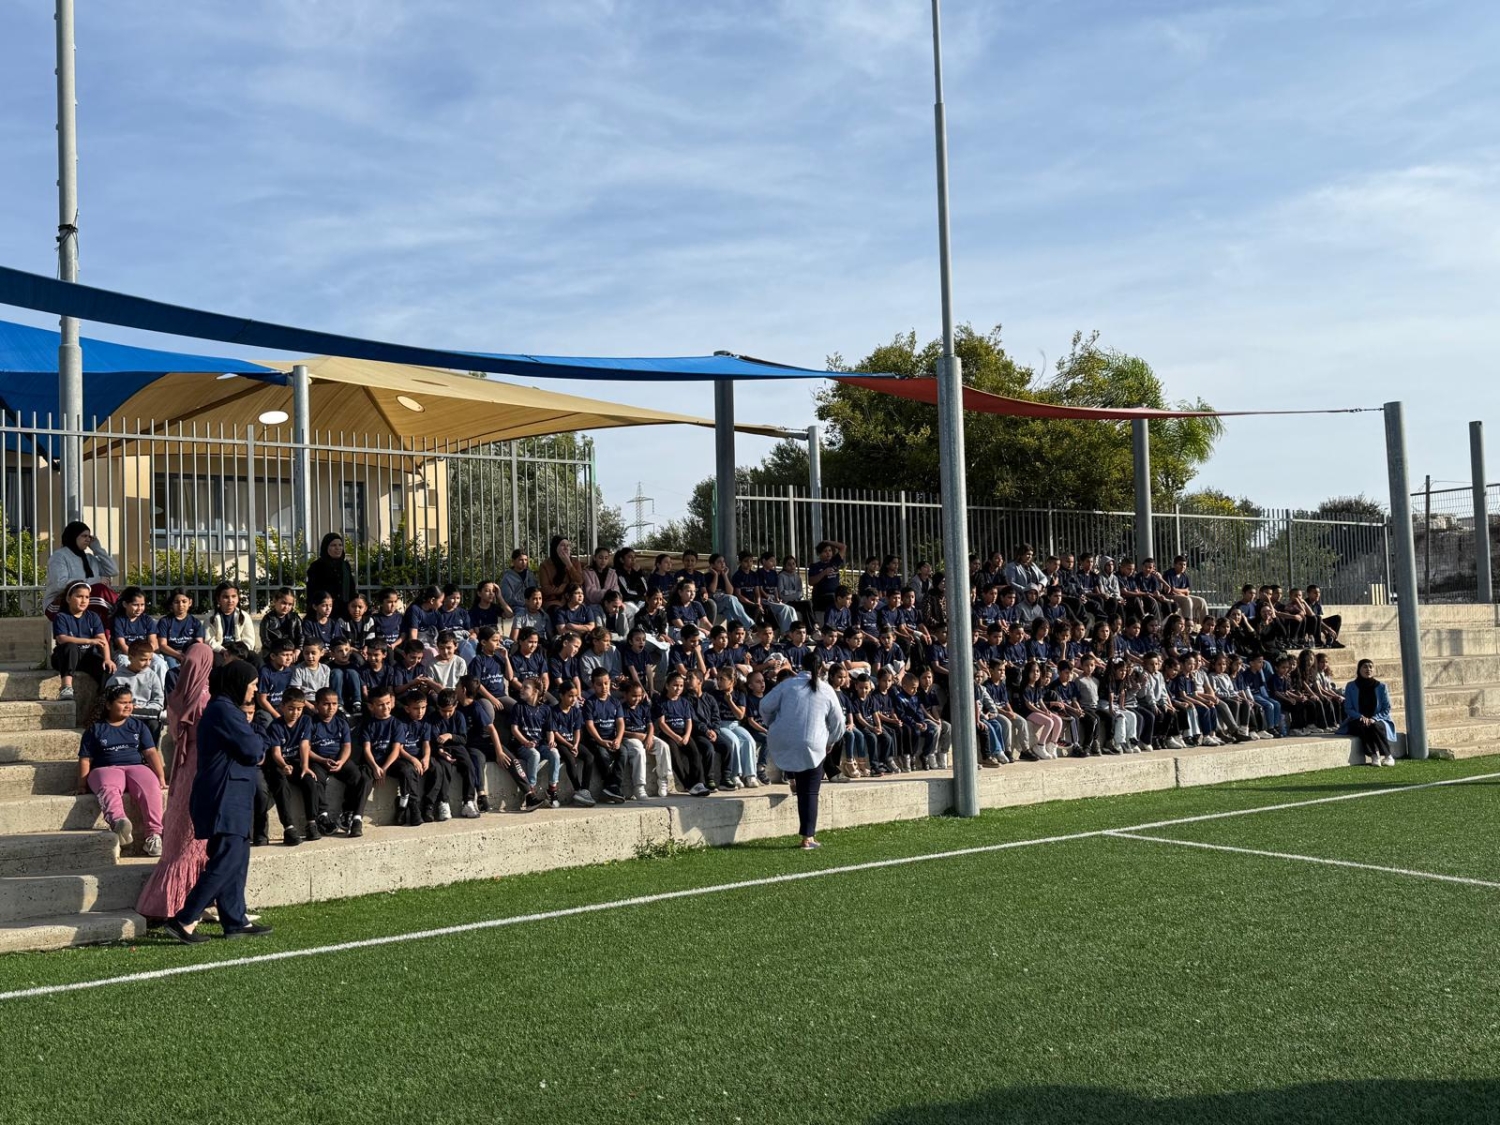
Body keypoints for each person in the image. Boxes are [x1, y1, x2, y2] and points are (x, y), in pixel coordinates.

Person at [163, 658, 273, 943]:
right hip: (225, 796)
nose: (255, 690)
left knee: (237, 858)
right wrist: (261, 735)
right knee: (228, 858)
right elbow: (253, 750)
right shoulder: (224, 710)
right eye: (252, 685)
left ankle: (235, 920)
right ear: (238, 683)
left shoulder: (226, 708)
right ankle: (185, 918)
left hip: (233, 795)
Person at [136, 645, 214, 921]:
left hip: (182, 766)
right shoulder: (204, 699)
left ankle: (173, 900)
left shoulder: (177, 696)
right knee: (193, 834)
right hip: (200, 765)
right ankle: (185, 902)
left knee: (181, 827)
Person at [760, 652, 845, 850]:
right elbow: (839, 723)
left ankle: (791, 778)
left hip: (786, 740)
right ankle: (808, 837)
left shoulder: (787, 685)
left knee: (802, 786)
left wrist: (774, 724)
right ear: (821, 668)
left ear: (800, 666)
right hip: (813, 744)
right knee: (810, 791)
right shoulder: (826, 689)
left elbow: (764, 706)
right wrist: (830, 741)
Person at [77, 684, 167, 855]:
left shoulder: (138, 726)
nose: (128, 706)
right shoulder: (95, 729)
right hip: (106, 768)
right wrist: (81, 785)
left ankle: (154, 836)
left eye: (130, 702)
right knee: (108, 787)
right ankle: (119, 822)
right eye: (122, 702)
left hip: (136, 766)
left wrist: (160, 777)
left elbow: (151, 753)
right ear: (108, 705)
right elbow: (85, 759)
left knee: (150, 788)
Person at [43, 520, 118, 620]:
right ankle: (120, 609)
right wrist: (97, 581)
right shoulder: (59, 556)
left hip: (86, 600)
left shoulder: (90, 558)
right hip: (58, 603)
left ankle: (107, 626)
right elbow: (60, 584)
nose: (88, 539)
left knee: (101, 598)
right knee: (99, 591)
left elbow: (113, 570)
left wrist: (97, 549)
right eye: (84, 536)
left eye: (89, 537)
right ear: (73, 536)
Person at [50, 580, 112, 699]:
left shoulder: (93, 617)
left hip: (86, 657)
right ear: (68, 598)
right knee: (71, 646)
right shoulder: (61, 616)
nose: (84, 600)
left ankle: (103, 697)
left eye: (87, 597)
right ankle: (66, 687)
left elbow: (102, 641)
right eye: (79, 596)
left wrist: (107, 659)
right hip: (65, 657)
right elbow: (62, 639)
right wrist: (89, 641)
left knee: (107, 667)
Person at [1342, 659, 1396, 766]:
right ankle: (1374, 756)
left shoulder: (1381, 687)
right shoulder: (1351, 686)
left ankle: (1388, 756)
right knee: (1363, 725)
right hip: (1357, 720)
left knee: (1373, 725)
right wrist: (1360, 716)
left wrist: (1374, 718)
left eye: (1371, 667)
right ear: (1359, 669)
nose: (1368, 669)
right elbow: (1348, 708)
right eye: (1365, 667)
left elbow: (1386, 708)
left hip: (1379, 719)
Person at [305, 532, 357, 619]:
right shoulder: (317, 566)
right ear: (326, 547)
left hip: (344, 611)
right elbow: (312, 591)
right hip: (325, 611)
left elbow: (351, 588)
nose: (338, 548)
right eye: (333, 545)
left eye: (340, 545)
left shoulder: (345, 565)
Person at [538, 535, 584, 607]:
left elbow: (579, 581)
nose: (566, 548)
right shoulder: (545, 565)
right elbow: (546, 589)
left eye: (568, 546)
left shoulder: (575, 562)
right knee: (557, 610)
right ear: (555, 548)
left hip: (572, 599)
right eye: (562, 545)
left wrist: (569, 564)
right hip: (553, 600)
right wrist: (564, 588)